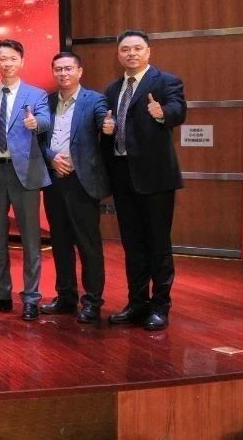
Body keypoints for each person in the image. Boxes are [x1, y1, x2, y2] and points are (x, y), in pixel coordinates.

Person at [101, 30, 186, 331]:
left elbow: (179, 110)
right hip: (123, 176)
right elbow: (110, 125)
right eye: (125, 49)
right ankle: (137, 302)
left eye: (137, 48)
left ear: (148, 52)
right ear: (118, 54)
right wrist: (107, 130)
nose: (131, 54)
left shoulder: (165, 82)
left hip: (155, 177)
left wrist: (163, 113)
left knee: (158, 244)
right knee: (132, 244)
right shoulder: (113, 89)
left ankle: (160, 306)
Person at [0, 39, 51, 320]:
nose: (7, 63)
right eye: (2, 58)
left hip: (25, 172)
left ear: (22, 61)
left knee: (31, 238)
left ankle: (31, 297)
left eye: (12, 58)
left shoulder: (36, 94)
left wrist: (36, 123)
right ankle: (2, 294)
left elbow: (45, 120)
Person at [41, 51, 110, 324]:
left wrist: (109, 125)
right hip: (54, 179)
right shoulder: (46, 101)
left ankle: (92, 301)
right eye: (58, 69)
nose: (63, 73)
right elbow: (38, 140)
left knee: (88, 244)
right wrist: (51, 158)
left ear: (79, 71)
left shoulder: (94, 100)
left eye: (68, 68)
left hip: (82, 182)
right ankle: (66, 297)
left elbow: (104, 121)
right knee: (60, 242)